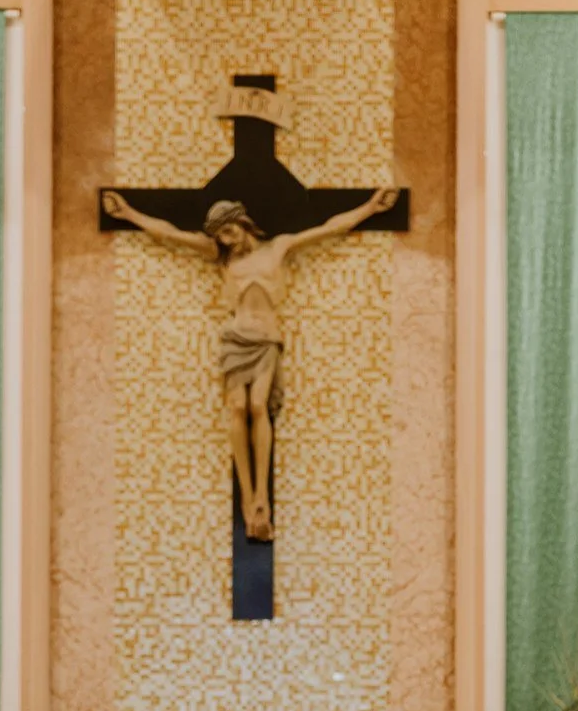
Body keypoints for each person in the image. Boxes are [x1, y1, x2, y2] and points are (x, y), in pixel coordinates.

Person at [99, 188, 397, 541]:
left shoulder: (279, 247)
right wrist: (128, 213)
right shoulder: (222, 258)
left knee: (259, 406)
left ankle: (261, 497)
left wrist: (369, 208)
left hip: (266, 339)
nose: (225, 240)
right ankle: (246, 494)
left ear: (241, 223)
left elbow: (329, 228)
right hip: (235, 339)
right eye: (220, 236)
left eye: (228, 231)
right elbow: (169, 234)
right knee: (237, 407)